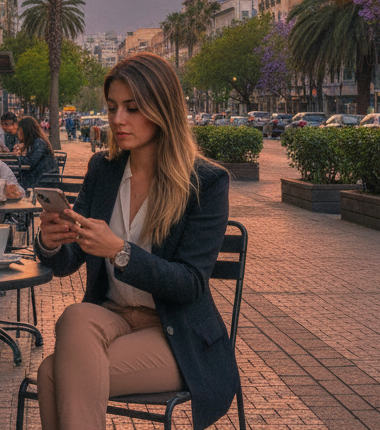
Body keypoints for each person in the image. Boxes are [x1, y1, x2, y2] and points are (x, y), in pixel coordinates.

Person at [34, 52, 234, 430]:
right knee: (76, 315)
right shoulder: (104, 170)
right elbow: (66, 262)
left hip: (176, 335)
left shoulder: (205, 182)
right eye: (112, 107)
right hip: (111, 319)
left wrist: (120, 251)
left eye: (132, 108)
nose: (117, 120)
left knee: (51, 374)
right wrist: (50, 241)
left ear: (163, 108)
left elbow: (190, 283)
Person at [14, 115, 57, 189]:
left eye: (20, 130)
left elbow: (31, 161)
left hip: (45, 179)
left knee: (17, 180)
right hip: (38, 175)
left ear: (26, 130)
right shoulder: (34, 142)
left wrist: (15, 158)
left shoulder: (39, 142)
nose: (18, 133)